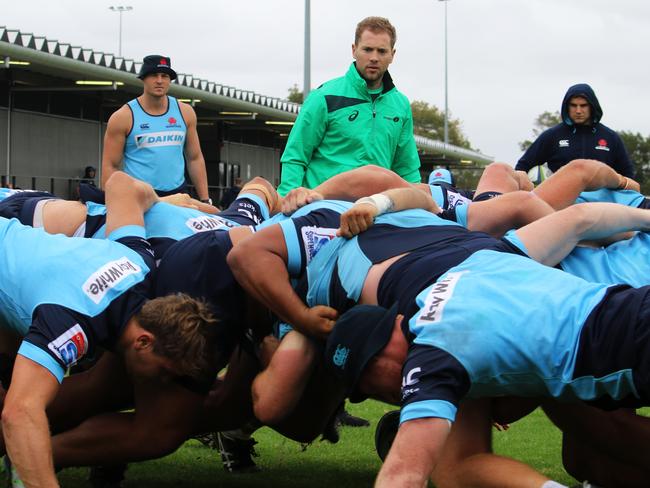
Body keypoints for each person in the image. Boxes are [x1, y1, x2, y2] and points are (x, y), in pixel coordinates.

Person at [0, 172, 218, 487]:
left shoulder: (137, 262)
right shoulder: (73, 319)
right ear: (144, 341)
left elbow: (123, 184)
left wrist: (165, 200)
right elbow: (20, 412)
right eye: (165, 372)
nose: (163, 383)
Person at [277, 16, 421, 196]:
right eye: (367, 49)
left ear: (392, 54)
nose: (374, 58)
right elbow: (296, 156)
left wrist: (419, 205)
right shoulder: (324, 96)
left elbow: (407, 170)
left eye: (382, 51)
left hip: (374, 211)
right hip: (322, 209)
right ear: (354, 50)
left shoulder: (401, 105)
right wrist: (286, 201)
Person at [101, 55, 210, 201]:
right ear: (143, 78)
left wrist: (205, 199)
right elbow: (110, 165)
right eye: (153, 75)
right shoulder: (123, 117)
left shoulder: (185, 112)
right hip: (140, 197)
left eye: (164, 76)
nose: (159, 81)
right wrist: (109, 202)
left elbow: (194, 158)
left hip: (178, 195)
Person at [516, 83, 635, 178]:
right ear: (567, 107)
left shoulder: (610, 137)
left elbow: (628, 175)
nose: (578, 111)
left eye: (583, 105)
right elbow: (522, 167)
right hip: (562, 204)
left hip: (600, 205)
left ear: (592, 106)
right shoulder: (552, 136)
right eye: (573, 105)